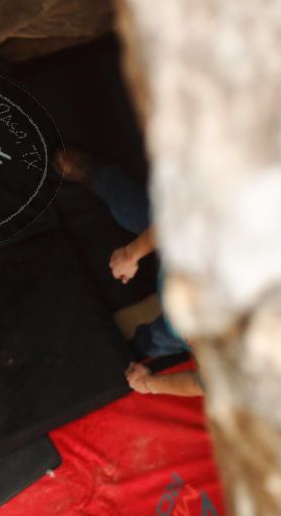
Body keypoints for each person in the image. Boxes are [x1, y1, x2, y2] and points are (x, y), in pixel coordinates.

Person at [53, 148, 202, 397]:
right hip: (187, 248)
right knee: (135, 210)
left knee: (156, 341)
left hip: (177, 321)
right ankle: (95, 175)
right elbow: (183, 226)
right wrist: (132, 253)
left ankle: (134, 349)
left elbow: (201, 384)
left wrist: (149, 384)